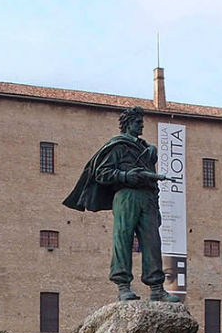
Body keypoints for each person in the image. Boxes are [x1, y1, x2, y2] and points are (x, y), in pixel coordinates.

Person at [63, 106, 179, 303]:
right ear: (127, 124)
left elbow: (152, 182)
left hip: (148, 197)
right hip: (126, 196)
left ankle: (157, 288)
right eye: (137, 122)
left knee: (153, 242)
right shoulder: (117, 146)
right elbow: (102, 173)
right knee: (122, 240)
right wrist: (125, 175)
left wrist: (157, 207)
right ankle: (123, 286)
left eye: (142, 122)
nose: (141, 125)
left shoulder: (147, 150)